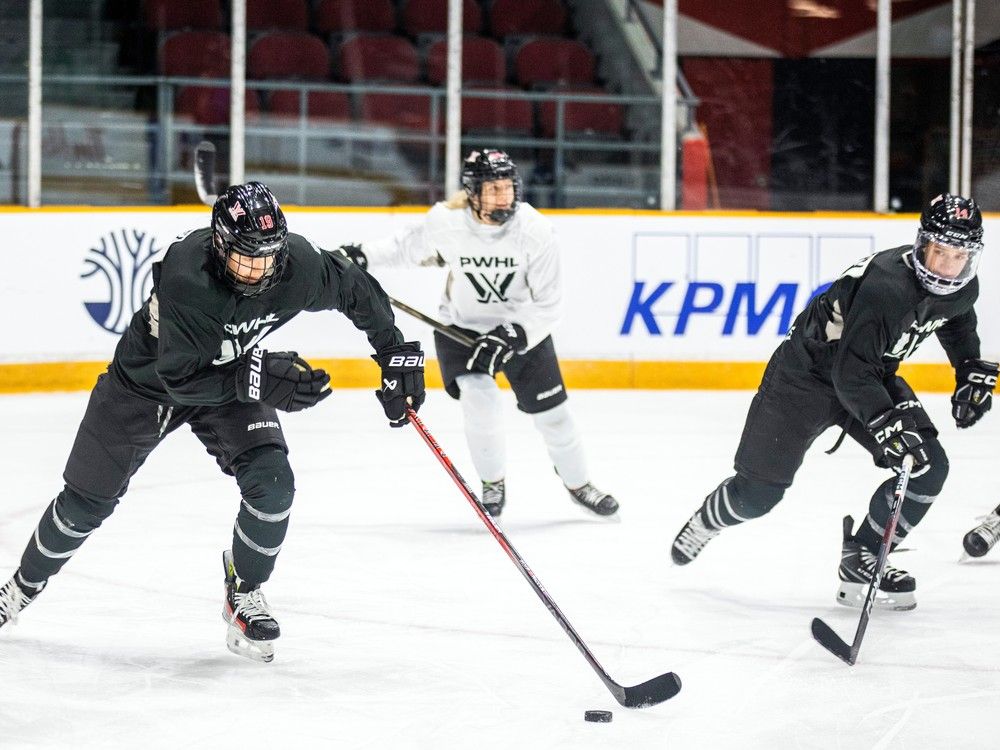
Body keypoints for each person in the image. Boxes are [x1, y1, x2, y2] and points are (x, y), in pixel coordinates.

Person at [0, 182, 425, 662]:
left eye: (267, 256)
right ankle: (20, 587)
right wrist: (259, 379)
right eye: (244, 256)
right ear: (219, 243)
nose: (256, 269)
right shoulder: (189, 276)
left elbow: (354, 287)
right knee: (83, 506)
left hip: (231, 381)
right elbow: (180, 378)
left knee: (274, 483)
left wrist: (395, 352)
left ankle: (244, 589)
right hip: (145, 386)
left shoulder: (297, 265)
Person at [670, 193, 995, 611]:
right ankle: (708, 519)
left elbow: (953, 316)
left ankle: (863, 557)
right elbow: (849, 373)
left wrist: (967, 365)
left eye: (957, 256)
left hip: (867, 375)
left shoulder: (962, 287)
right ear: (922, 245)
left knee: (927, 467)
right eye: (938, 253)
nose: (946, 267)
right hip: (803, 380)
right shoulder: (886, 287)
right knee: (757, 496)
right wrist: (885, 420)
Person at [336, 148, 617, 518]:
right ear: (473, 191)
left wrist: (514, 334)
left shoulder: (534, 230)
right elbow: (405, 247)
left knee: (555, 416)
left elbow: (550, 306)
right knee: (480, 402)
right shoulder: (447, 222)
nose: (504, 196)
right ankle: (492, 481)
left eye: (508, 187)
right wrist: (359, 256)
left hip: (521, 334)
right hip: (462, 328)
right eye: (494, 189)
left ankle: (579, 482)